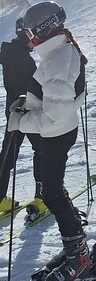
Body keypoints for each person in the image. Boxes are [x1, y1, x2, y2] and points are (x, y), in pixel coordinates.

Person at [7, 1, 96, 281]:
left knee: (52, 194)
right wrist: (27, 102)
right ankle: (77, 246)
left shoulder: (58, 59)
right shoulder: (59, 52)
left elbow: (51, 117)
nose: (29, 38)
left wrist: (20, 122)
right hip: (59, 131)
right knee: (54, 191)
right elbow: (51, 96)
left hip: (56, 134)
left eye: (31, 32)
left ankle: (78, 257)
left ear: (42, 31)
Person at [0, 18, 45, 220]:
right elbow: (29, 88)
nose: (36, 41)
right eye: (34, 37)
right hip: (27, 113)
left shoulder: (11, 53)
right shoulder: (22, 58)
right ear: (26, 35)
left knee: (7, 155)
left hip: (13, 112)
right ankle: (42, 198)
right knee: (42, 150)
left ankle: (0, 199)